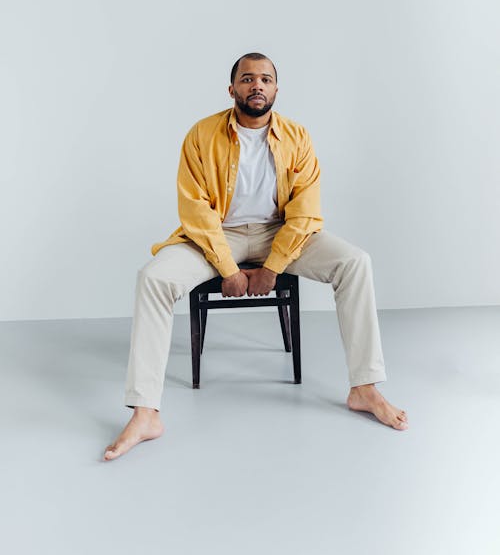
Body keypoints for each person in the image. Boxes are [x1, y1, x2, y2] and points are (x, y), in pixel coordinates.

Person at [103, 53, 408, 461]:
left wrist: (273, 267)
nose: (257, 85)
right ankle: (145, 412)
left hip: (279, 234)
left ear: (277, 89)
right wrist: (228, 269)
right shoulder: (201, 134)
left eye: (265, 79)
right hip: (216, 236)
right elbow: (195, 211)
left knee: (355, 262)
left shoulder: (297, 136)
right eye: (247, 79)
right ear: (232, 90)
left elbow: (304, 212)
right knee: (153, 278)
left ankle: (365, 388)